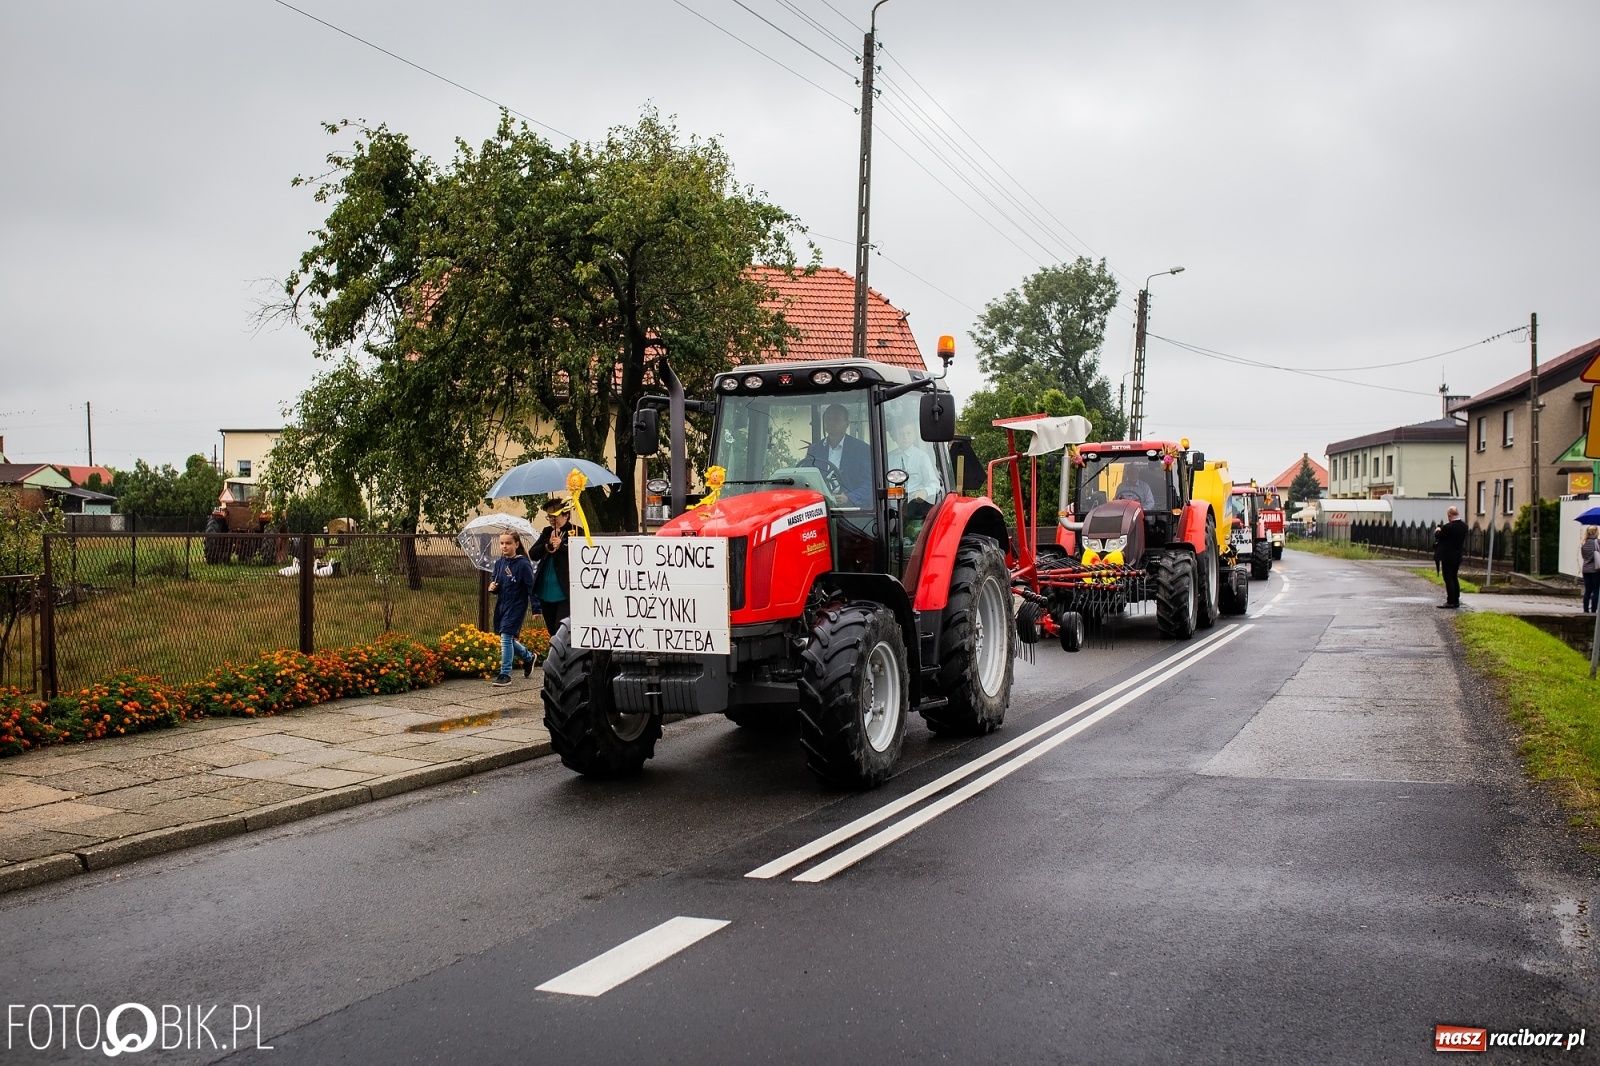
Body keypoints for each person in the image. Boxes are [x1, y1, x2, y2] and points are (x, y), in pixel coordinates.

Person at [487, 531, 537, 686]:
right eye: (502, 543)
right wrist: (493, 587)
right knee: (505, 637)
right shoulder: (499, 563)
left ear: (516, 544)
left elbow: (531, 587)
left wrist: (536, 608)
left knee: (506, 637)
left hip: (517, 605)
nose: (504, 546)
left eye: (508, 543)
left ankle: (505, 673)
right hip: (502, 604)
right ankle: (528, 657)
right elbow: (496, 582)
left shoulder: (523, 564)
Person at [802, 404, 872, 508]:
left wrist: (849, 497)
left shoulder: (861, 449)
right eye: (828, 419)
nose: (831, 423)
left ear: (847, 423)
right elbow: (805, 478)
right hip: (820, 508)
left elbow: (870, 484)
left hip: (853, 512)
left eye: (836, 419)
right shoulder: (814, 450)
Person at [531, 497, 575, 634]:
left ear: (566, 515)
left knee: (560, 629)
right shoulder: (546, 532)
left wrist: (561, 546)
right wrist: (548, 543)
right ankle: (555, 654)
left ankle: (564, 655)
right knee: (551, 630)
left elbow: (580, 555)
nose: (551, 520)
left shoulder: (574, 531)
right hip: (545, 591)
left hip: (564, 591)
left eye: (554, 516)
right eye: (549, 517)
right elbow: (533, 554)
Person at [885, 420, 941, 503]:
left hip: (916, 503)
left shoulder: (922, 457)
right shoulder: (888, 458)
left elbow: (934, 484)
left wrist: (924, 492)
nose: (905, 437)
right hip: (892, 502)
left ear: (914, 435)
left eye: (908, 433)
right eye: (901, 434)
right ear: (894, 437)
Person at [1433, 505, 1468, 608]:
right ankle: (1456, 600)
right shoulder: (1464, 526)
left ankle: (1450, 601)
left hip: (1447, 556)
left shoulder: (1448, 527)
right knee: (1454, 577)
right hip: (1457, 556)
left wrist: (1438, 529)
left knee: (1448, 578)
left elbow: (1438, 536)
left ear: (1449, 515)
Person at [1581, 526, 1599, 614]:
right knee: (1596, 590)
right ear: (1595, 532)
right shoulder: (1597, 542)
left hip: (1586, 570)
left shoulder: (1584, 543)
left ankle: (1585, 609)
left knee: (1587, 590)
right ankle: (1594, 610)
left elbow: (1584, 557)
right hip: (1596, 570)